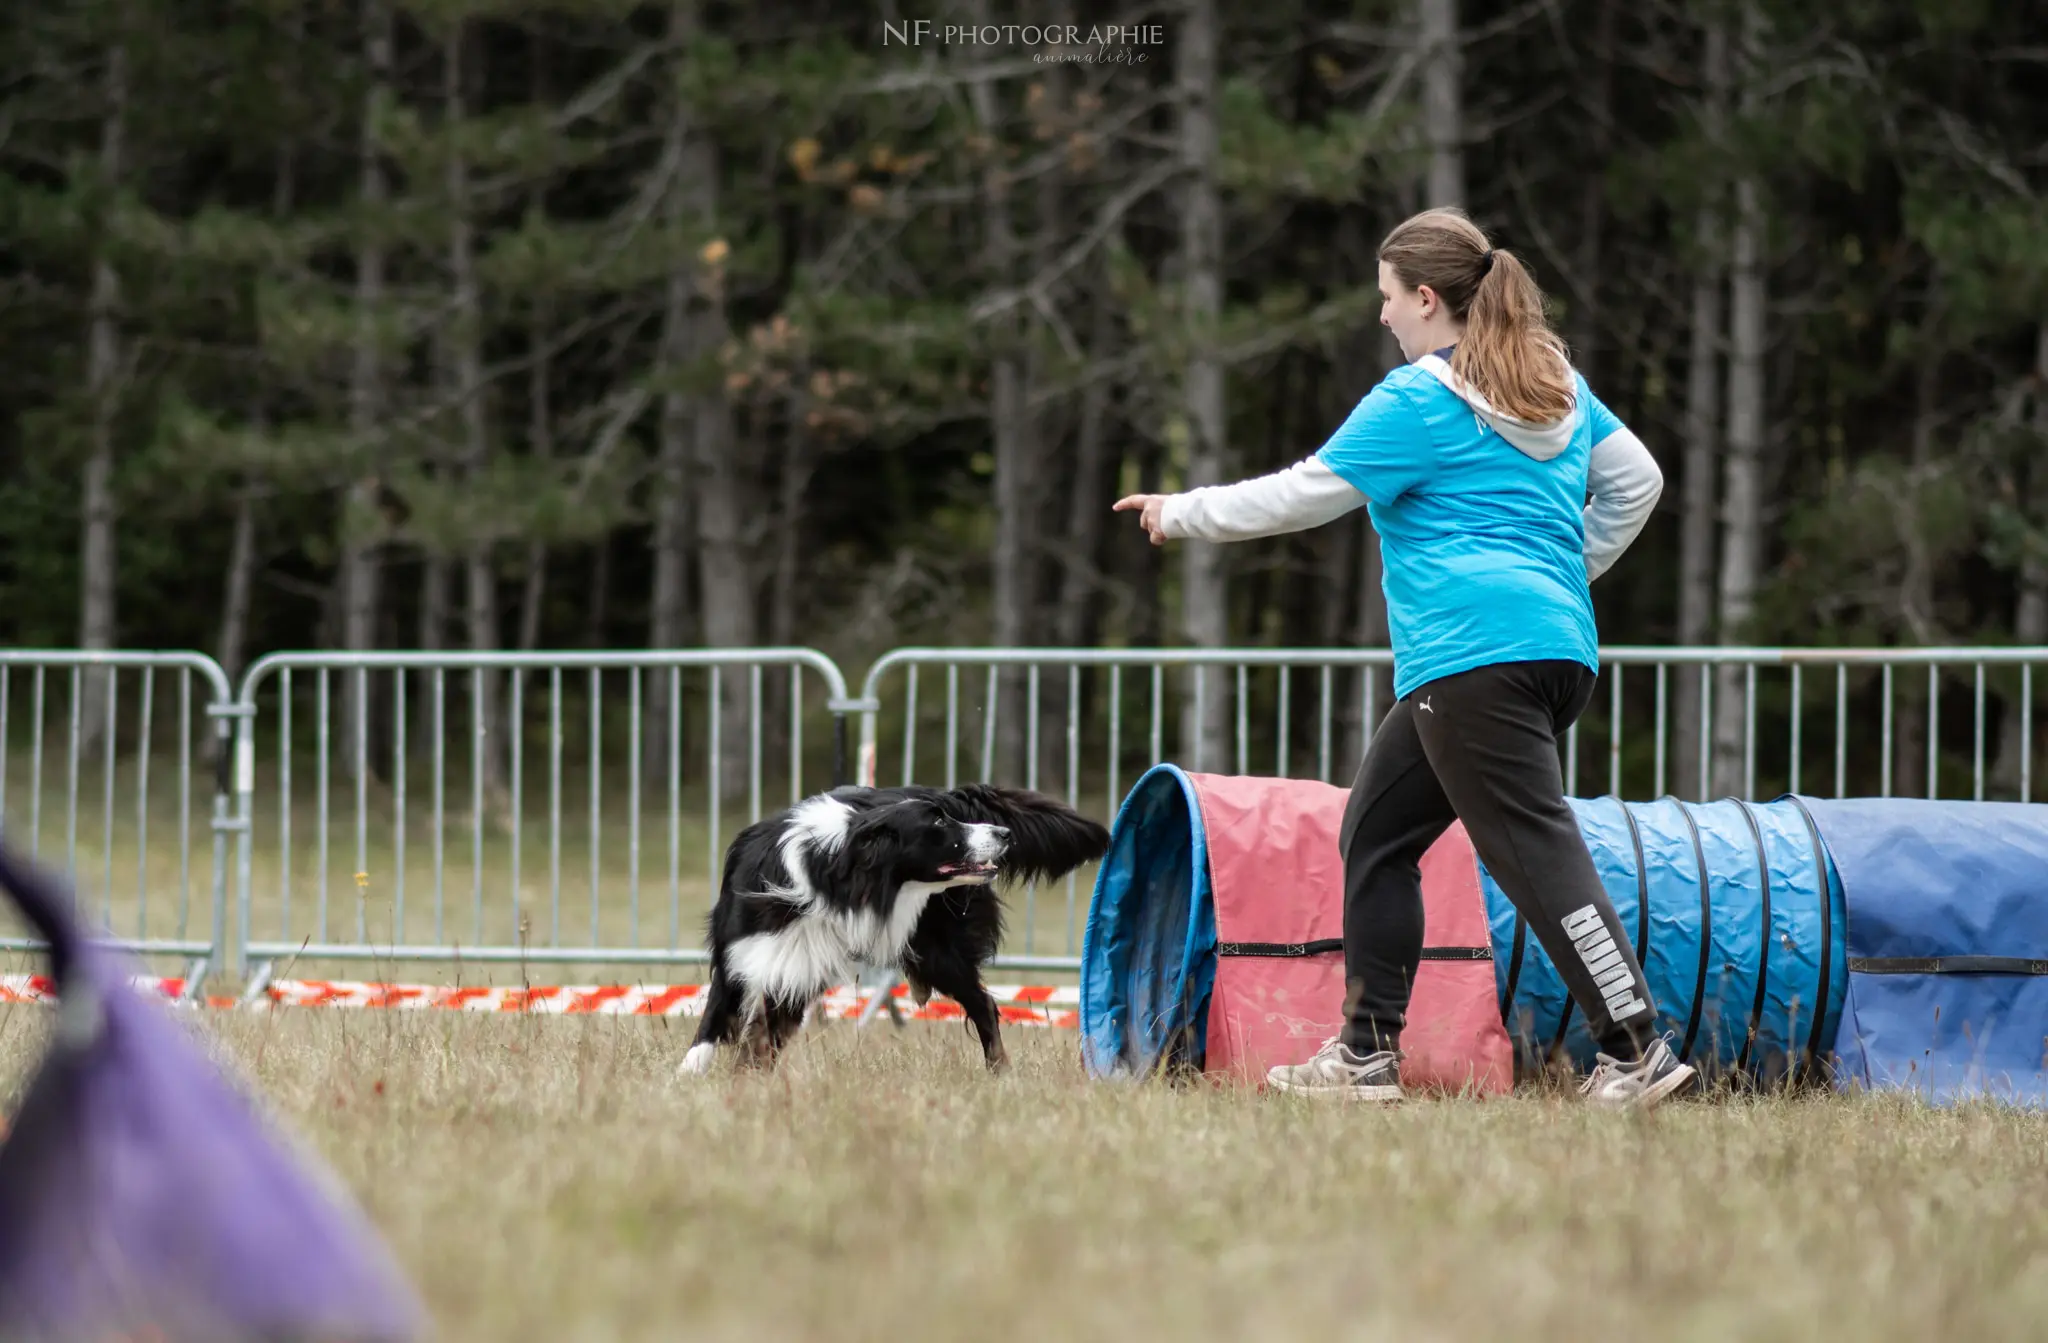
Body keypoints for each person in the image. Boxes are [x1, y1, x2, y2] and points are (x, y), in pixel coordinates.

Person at [1113, 207, 1691, 1110]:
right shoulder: (1559, 385)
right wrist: (1563, 573)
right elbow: (1639, 479)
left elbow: (1307, 492)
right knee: (1376, 835)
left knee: (1534, 849)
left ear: (1427, 298)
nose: (1382, 316)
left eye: (1388, 298)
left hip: (1472, 655)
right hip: (1548, 651)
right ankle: (1365, 1055)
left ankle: (1637, 1049)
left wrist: (1181, 511)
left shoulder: (1420, 397)